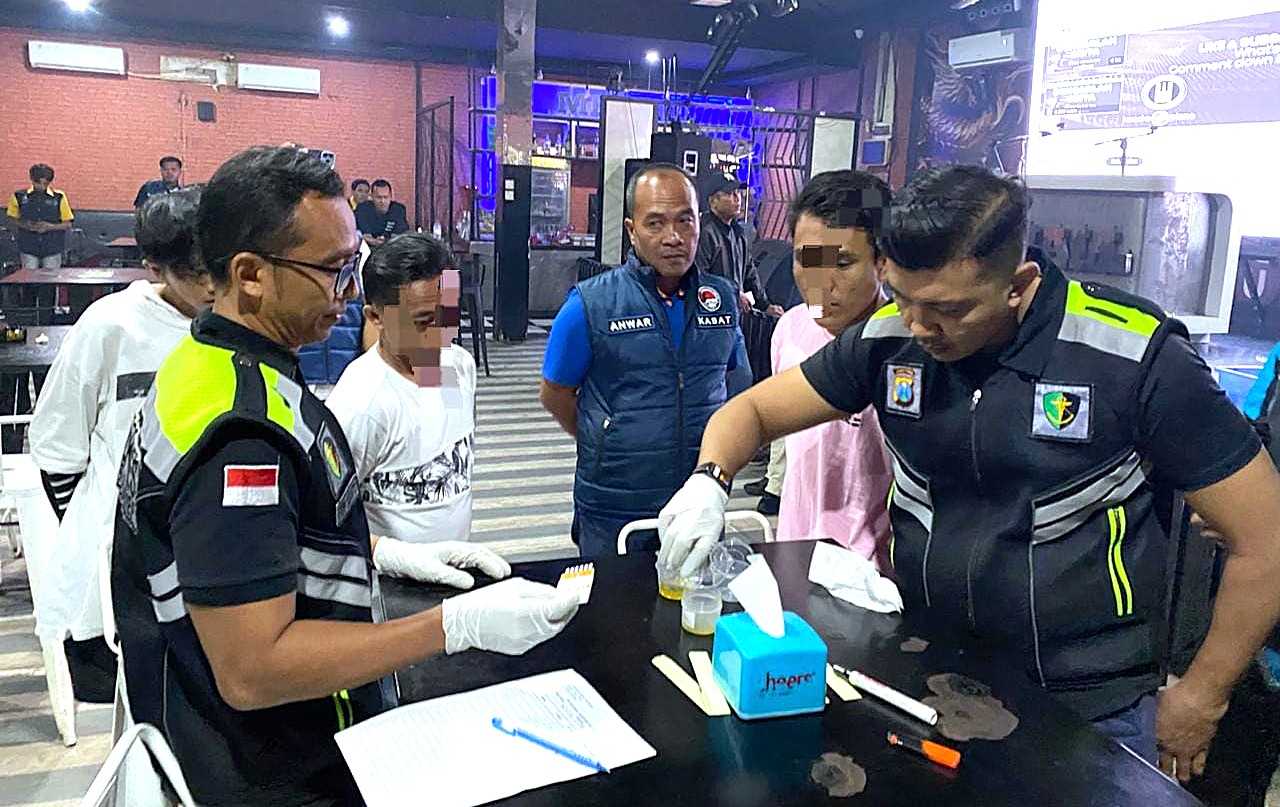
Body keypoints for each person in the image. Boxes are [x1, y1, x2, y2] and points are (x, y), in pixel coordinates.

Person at [658, 164, 1280, 778]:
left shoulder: (1130, 355)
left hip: (1089, 704)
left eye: (947, 309)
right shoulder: (888, 339)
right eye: (902, 297)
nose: (919, 326)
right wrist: (709, 482)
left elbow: (1266, 540)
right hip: (931, 673)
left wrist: (1203, 695)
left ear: (1019, 283)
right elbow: (753, 411)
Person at [111, 146, 579, 806]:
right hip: (264, 764)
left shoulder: (214, 365)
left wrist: (389, 553)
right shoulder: (241, 441)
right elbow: (254, 669)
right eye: (333, 272)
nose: (352, 294)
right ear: (250, 274)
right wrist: (453, 625)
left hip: (277, 726)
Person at [28, 187, 212, 703]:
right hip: (123, 560)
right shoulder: (111, 325)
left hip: (212, 547)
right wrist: (113, 533)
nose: (212, 284)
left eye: (217, 265)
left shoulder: (237, 324)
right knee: (137, 700)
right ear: (155, 267)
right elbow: (58, 449)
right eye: (196, 272)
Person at [539, 163, 748, 558]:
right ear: (631, 230)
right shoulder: (591, 303)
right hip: (614, 504)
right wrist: (606, 438)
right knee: (612, 598)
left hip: (696, 499)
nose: (674, 237)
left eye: (685, 221)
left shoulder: (721, 298)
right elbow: (555, 393)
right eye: (655, 223)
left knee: (694, 595)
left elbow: (733, 382)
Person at [768, 170, 893, 560]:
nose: (821, 282)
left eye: (841, 263)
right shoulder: (789, 330)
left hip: (871, 575)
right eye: (807, 260)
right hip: (794, 558)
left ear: (883, 263)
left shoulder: (906, 348)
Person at [327, 232, 477, 547]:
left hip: (455, 568)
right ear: (375, 317)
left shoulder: (459, 366)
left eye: (450, 313)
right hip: (387, 576)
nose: (442, 333)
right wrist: (388, 554)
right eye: (423, 322)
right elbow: (322, 518)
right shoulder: (360, 407)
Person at [694, 174, 782, 318]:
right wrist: (733, 293)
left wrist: (765, 305)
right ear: (713, 201)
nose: (738, 198)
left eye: (738, 193)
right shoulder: (704, 232)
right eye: (730, 194)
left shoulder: (738, 233)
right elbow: (699, 276)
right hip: (709, 314)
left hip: (733, 315)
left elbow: (749, 273)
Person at [7, 163, 74, 269]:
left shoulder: (59, 197)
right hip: (28, 246)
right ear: (32, 179)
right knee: (29, 277)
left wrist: (49, 227)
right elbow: (12, 218)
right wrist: (26, 225)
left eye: (45, 183)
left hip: (52, 247)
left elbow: (68, 224)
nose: (42, 186)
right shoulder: (19, 196)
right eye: (38, 183)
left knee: (50, 277)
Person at [355, 178, 410, 245]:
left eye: (386, 197)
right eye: (379, 197)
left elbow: (401, 236)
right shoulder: (363, 209)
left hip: (393, 248)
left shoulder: (398, 210)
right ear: (372, 197)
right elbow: (364, 236)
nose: (382, 201)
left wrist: (383, 241)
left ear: (391, 197)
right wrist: (376, 241)